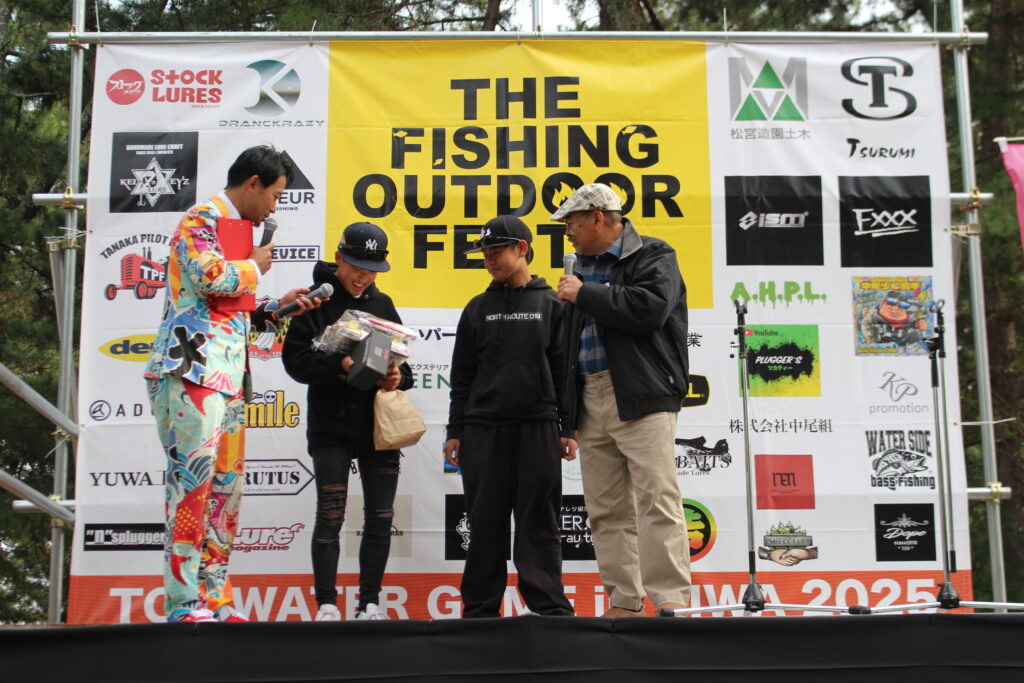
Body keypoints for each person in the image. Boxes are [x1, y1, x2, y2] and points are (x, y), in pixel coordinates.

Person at [145, 145, 321, 623]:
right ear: (253, 184)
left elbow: (225, 308)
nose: (275, 207)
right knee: (192, 487)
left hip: (228, 377)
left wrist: (274, 307)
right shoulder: (200, 218)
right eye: (275, 196)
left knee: (225, 491)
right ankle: (183, 602)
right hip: (190, 369)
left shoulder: (235, 230)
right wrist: (254, 266)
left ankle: (215, 598)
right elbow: (209, 278)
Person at [551, 183, 691, 617]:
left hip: (641, 392)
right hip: (589, 395)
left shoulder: (653, 254)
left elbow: (651, 309)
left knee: (657, 499)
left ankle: (669, 599)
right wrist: (566, 415)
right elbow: (566, 345)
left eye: (573, 224)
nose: (568, 234)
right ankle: (624, 601)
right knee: (605, 509)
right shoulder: (578, 270)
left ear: (597, 217)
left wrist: (585, 294)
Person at [443, 215, 576, 619]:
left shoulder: (552, 304)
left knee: (539, 521)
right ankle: (480, 611)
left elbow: (565, 371)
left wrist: (567, 427)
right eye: (484, 253)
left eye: (496, 251)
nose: (489, 260)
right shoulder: (477, 308)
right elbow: (462, 376)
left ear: (522, 249)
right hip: (482, 429)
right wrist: (455, 430)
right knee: (484, 521)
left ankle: (549, 609)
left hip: (538, 427)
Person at [282, 222, 413, 622]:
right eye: (356, 266)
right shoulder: (315, 301)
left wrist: (396, 377)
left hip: (378, 429)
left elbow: (405, 366)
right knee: (331, 515)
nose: (363, 276)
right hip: (331, 428)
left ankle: (369, 604)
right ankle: (326, 605)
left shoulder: (383, 303)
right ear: (338, 258)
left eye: (372, 269)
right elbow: (295, 362)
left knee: (381, 517)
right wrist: (338, 363)